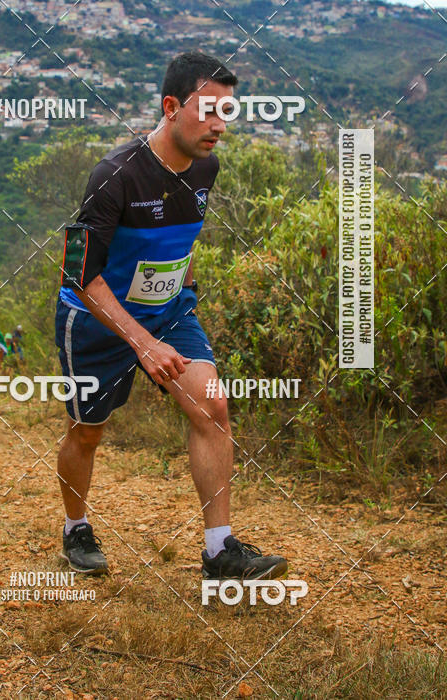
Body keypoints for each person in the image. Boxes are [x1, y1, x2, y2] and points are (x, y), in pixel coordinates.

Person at [55, 51, 288, 579]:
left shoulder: (207, 166)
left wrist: (179, 291)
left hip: (168, 313)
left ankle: (219, 550)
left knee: (213, 407)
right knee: (87, 431)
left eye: (225, 112)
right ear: (169, 107)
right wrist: (141, 342)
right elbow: (77, 275)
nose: (218, 126)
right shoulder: (113, 176)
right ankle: (76, 528)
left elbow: (181, 238)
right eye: (207, 110)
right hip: (96, 318)